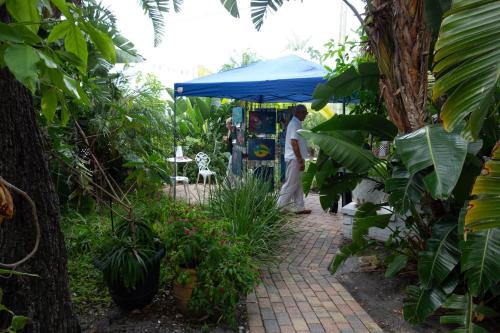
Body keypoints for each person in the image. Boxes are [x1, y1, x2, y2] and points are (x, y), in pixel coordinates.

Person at [277, 104, 311, 214]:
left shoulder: (296, 123)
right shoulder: (294, 124)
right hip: (294, 158)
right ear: (298, 112)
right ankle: (279, 207)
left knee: (297, 183)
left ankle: (299, 206)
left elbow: (296, 143)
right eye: (304, 113)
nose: (305, 115)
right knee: (290, 183)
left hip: (295, 158)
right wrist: (300, 159)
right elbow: (294, 143)